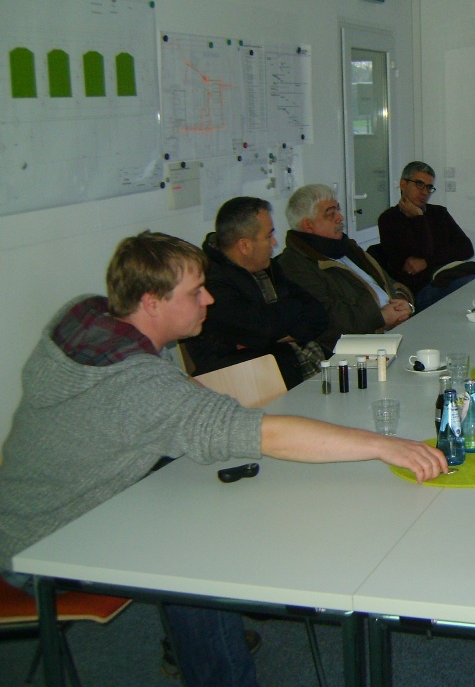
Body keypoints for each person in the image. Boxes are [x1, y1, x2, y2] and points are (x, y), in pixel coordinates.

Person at [0, 231, 447, 687]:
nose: (208, 299)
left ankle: (197, 635)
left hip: (30, 509)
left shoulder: (87, 314)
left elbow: (165, 397)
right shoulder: (135, 386)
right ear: (151, 302)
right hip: (45, 547)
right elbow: (260, 432)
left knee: (212, 489)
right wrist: (385, 445)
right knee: (195, 556)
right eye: (195, 292)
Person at [181, 197, 329, 390]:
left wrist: (281, 332)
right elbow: (262, 328)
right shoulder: (211, 282)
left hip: (294, 366)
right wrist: (292, 308)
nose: (274, 242)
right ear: (244, 245)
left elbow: (318, 314)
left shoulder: (267, 266)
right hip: (249, 384)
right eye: (268, 236)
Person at [278, 184, 415, 338]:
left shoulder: (347, 247)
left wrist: (403, 300)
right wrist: (380, 318)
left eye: (338, 210)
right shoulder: (294, 264)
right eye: (331, 214)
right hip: (363, 341)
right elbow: (326, 317)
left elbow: (386, 282)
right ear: (308, 225)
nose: (340, 217)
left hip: (396, 328)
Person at [377, 161, 475, 311]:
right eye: (419, 184)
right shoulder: (389, 219)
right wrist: (419, 218)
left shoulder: (439, 213)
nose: (425, 192)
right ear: (403, 184)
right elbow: (417, 257)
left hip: (446, 277)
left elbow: (466, 248)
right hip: (419, 290)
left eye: (429, 187)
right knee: (471, 286)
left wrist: (427, 261)